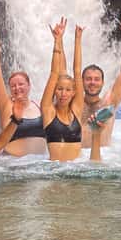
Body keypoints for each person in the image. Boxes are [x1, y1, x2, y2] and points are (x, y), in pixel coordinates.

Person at [0, 23, 47, 157]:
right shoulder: (7, 105)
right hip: (13, 163)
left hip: (40, 164)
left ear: (29, 85)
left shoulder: (39, 105)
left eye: (21, 84)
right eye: (13, 86)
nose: (17, 88)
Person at [81, 19, 121, 148]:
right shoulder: (74, 103)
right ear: (81, 81)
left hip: (106, 156)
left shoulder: (108, 102)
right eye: (88, 79)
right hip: (78, 157)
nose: (92, 82)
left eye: (96, 79)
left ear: (102, 82)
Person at [40, 19, 85, 161]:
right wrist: (57, 41)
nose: (63, 94)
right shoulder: (48, 111)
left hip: (77, 170)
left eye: (67, 90)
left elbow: (77, 71)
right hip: (55, 171)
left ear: (73, 93)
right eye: (59, 89)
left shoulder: (77, 110)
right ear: (55, 91)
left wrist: (78, 39)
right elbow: (54, 73)